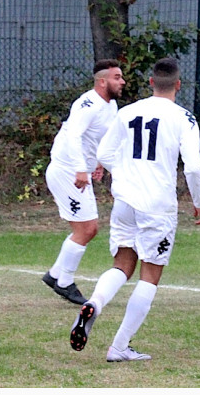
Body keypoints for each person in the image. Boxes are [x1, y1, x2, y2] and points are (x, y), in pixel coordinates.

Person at [69, 57, 200, 362]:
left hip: (125, 201)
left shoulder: (128, 111)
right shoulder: (184, 118)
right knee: (149, 276)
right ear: (178, 85)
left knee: (123, 265)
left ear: (150, 83)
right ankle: (118, 347)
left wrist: (126, 175)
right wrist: (199, 203)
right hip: (157, 206)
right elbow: (194, 168)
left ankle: (94, 302)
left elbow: (104, 153)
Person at [43, 59, 125, 305]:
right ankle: (64, 282)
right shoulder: (87, 104)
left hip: (78, 172)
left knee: (87, 229)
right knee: (87, 229)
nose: (122, 82)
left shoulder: (110, 106)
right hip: (67, 172)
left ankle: (55, 274)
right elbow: (73, 137)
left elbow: (101, 138)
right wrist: (81, 169)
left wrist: (96, 163)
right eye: (117, 77)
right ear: (102, 81)